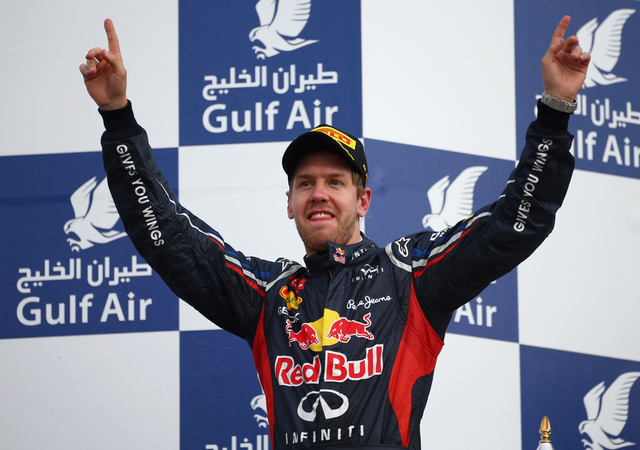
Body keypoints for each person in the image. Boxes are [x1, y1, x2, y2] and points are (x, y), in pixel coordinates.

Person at [80, 16, 590, 450]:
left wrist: (555, 113)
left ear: (362, 200)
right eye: (305, 184)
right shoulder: (268, 296)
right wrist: (118, 119)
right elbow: (168, 237)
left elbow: (511, 226)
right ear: (290, 204)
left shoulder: (410, 276)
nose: (318, 193)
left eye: (335, 182)